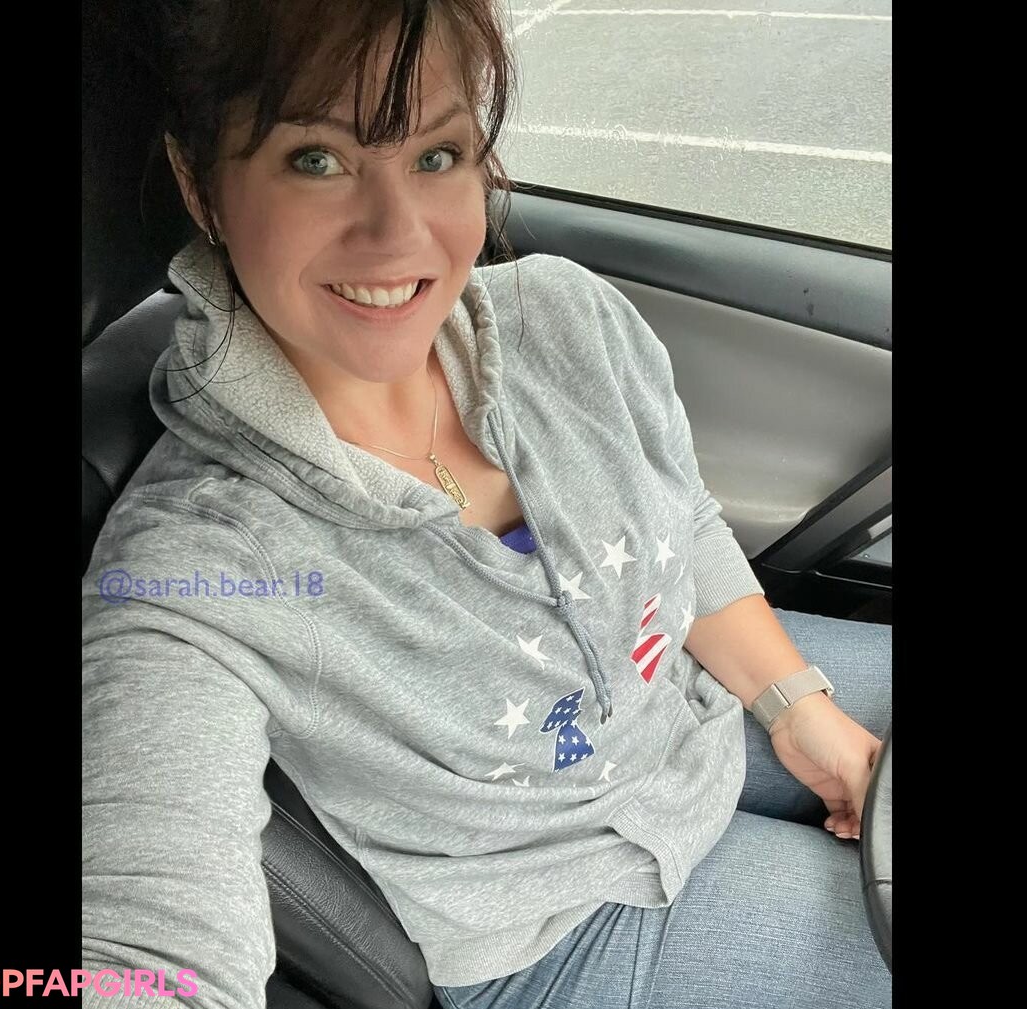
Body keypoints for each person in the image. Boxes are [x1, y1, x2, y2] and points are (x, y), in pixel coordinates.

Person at [81, 2, 892, 1007]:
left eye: (436, 155)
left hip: (693, 725)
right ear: (200, 184)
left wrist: (796, 706)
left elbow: (677, 520)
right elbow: (151, 942)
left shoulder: (568, 318)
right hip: (567, 924)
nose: (397, 233)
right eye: (317, 160)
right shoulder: (197, 567)